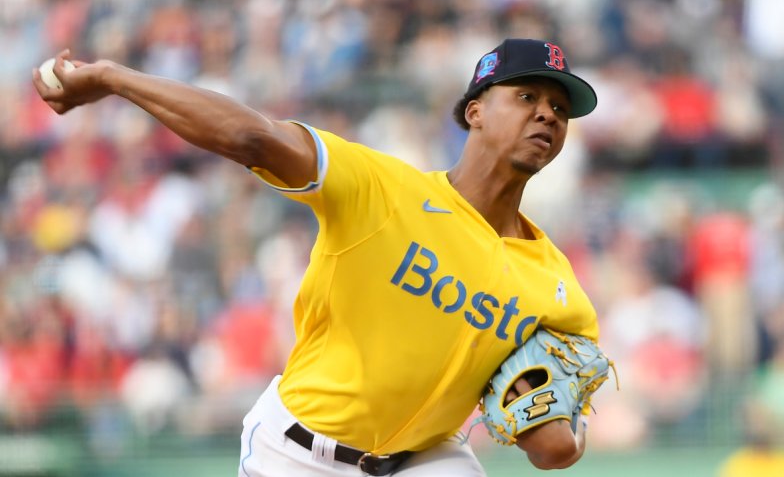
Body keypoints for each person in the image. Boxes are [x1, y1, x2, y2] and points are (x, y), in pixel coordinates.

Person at [33, 38, 601, 476]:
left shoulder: (556, 286)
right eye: (527, 97)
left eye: (559, 107)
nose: (548, 115)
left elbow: (552, 450)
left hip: (425, 458)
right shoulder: (381, 189)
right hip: (298, 451)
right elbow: (251, 138)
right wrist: (113, 77)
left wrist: (562, 435)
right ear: (475, 111)